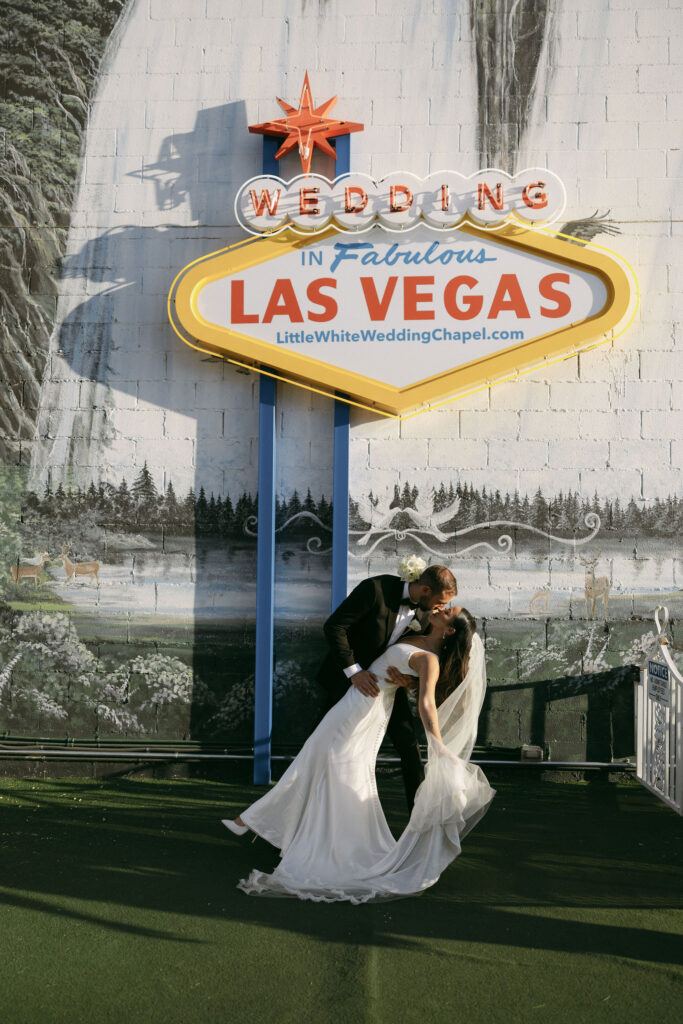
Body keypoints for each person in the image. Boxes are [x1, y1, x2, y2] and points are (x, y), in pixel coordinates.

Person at [222, 606, 495, 904]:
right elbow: (402, 668)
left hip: (361, 711)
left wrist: (437, 744)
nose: (440, 608)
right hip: (359, 703)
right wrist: (407, 680)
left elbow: (427, 704)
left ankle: (263, 825)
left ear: (450, 629)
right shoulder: (416, 635)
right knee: (317, 761)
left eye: (447, 611)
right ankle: (262, 824)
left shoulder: (431, 661)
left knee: (331, 765)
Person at [316, 565, 458, 811]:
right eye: (440, 601)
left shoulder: (427, 613)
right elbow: (335, 627)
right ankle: (296, 824)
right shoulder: (375, 589)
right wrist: (354, 672)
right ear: (425, 589)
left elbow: (413, 657)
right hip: (348, 682)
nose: (441, 608)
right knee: (320, 747)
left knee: (409, 747)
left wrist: (409, 681)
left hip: (388, 688)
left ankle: (419, 817)